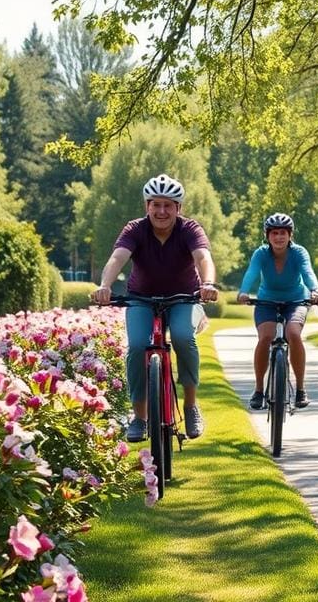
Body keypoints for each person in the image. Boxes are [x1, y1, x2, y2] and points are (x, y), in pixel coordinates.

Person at [92, 173, 219, 442]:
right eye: (156, 205)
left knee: (184, 338)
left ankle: (190, 405)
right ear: (147, 206)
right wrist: (105, 285)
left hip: (183, 297)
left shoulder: (190, 229)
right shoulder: (135, 229)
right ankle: (139, 417)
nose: (162, 211)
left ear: (178, 209)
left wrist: (207, 282)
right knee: (138, 345)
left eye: (168, 205)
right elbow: (118, 257)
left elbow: (203, 256)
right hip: (141, 298)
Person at [237, 213, 318, 410]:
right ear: (267, 236)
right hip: (266, 300)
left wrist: (315, 291)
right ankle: (258, 390)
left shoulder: (299, 252)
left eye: (283, 233)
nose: (279, 237)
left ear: (290, 235)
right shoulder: (261, 253)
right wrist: (243, 292)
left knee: (293, 333)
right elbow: (252, 272)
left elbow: (307, 271)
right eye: (274, 233)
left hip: (296, 300)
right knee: (265, 337)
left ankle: (300, 389)